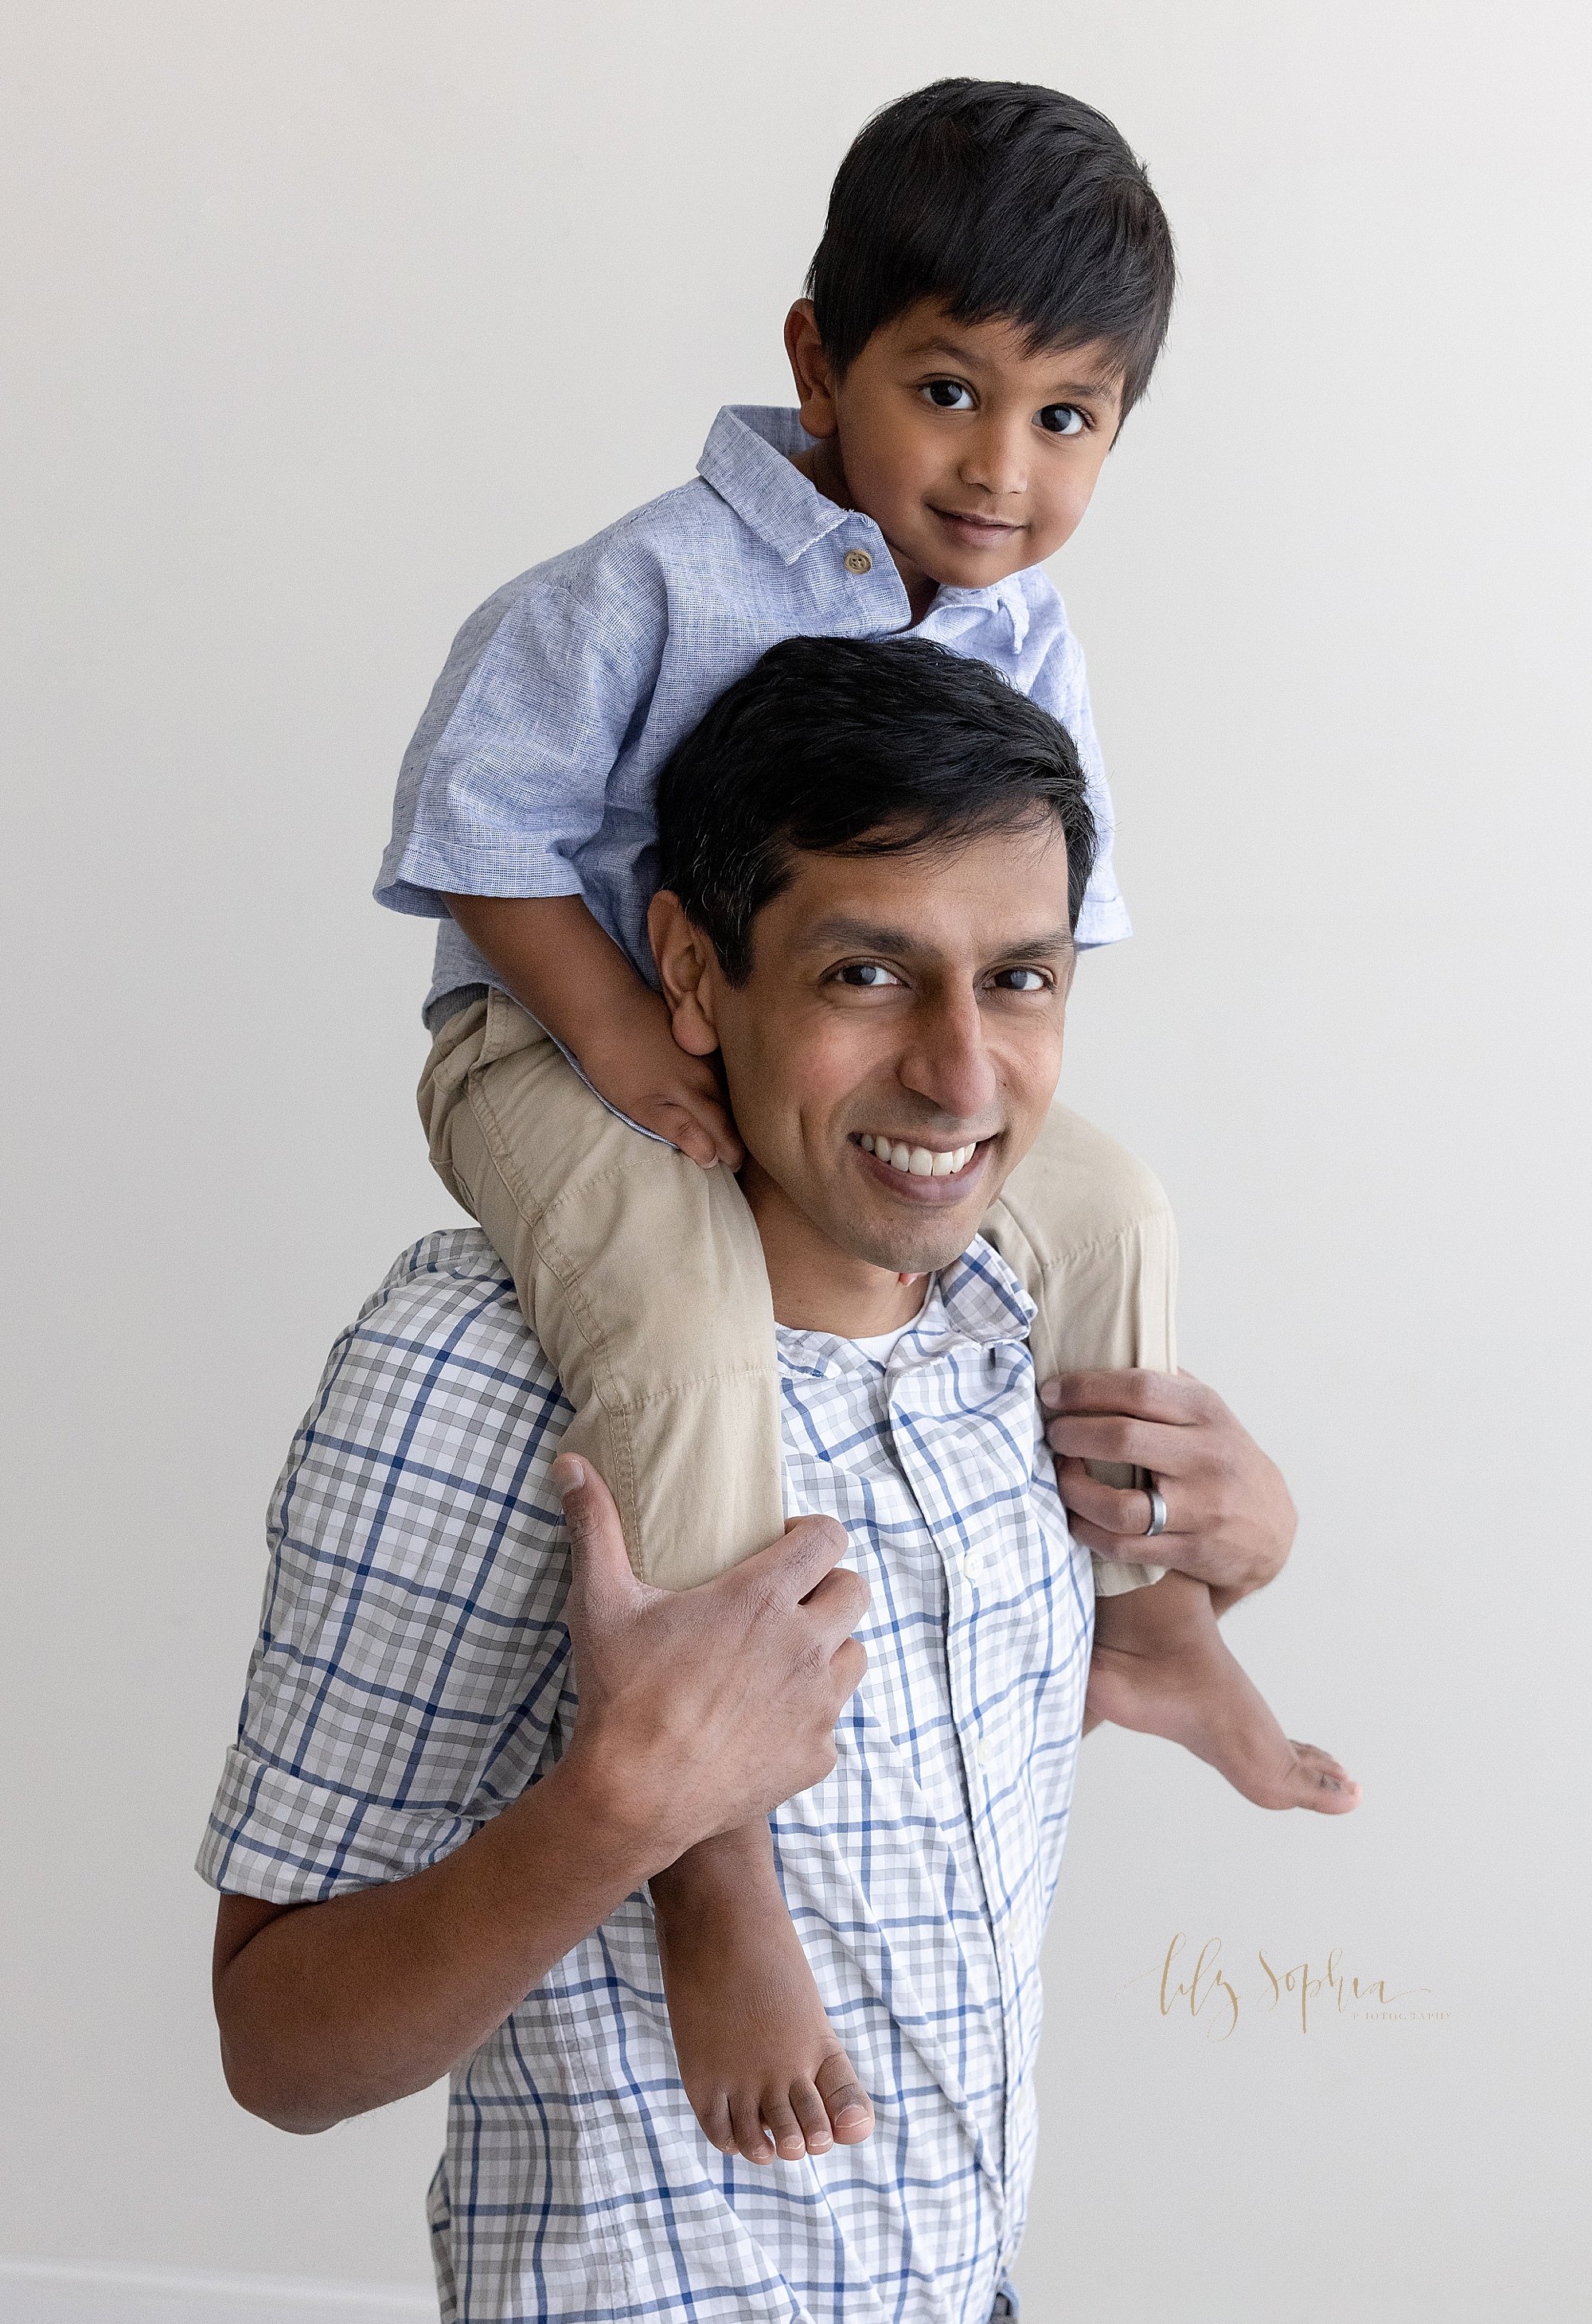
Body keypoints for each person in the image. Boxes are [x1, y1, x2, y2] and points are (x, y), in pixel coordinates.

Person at [208, 641, 1356, 2324]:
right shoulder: (466, 1380)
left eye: (1022, 979)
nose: (963, 1076)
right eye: (868, 975)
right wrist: (617, 1815)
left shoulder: (1011, 1326)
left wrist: (1222, 1572)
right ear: (689, 971)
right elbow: (278, 2056)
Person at [376, 76, 1302, 2168]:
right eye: (950, 390)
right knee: (687, 1317)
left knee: (1116, 1196)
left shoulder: (1021, 633)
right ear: (820, 359)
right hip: (558, 1034)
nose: (1000, 467)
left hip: (838, 1069)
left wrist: (964, 1107)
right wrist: (621, 1032)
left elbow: (1044, 932)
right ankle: (714, 1855)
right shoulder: (648, 583)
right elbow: (473, 822)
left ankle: (1149, 1611)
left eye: (1068, 420)